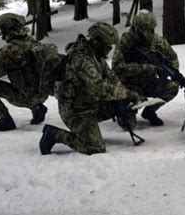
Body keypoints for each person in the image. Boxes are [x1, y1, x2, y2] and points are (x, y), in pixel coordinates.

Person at [39, 22, 143, 155]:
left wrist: (129, 97)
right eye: (107, 45)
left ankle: (106, 126)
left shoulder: (96, 57)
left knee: (123, 102)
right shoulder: (82, 60)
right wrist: (127, 94)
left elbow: (112, 79)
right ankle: (55, 134)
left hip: (90, 104)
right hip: (76, 111)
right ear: (97, 41)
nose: (109, 49)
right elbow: (99, 89)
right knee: (95, 148)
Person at [0, 13, 48, 132]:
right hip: (43, 93)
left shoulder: (9, 49)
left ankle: (5, 119)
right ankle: (37, 107)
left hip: (27, 97)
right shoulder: (31, 41)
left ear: (5, 29)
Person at [112, 10, 179, 126]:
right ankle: (128, 111)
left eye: (149, 30)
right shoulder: (126, 41)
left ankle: (149, 111)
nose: (146, 33)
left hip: (149, 83)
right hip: (128, 87)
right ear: (136, 28)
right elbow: (117, 67)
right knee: (128, 124)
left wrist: (169, 71)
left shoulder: (158, 41)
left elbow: (172, 57)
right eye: (143, 30)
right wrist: (144, 68)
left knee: (172, 87)